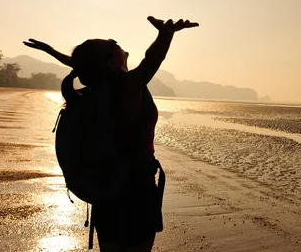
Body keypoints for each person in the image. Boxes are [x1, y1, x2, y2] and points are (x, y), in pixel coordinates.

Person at [24, 16, 198, 252]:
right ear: (111, 64)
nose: (113, 41)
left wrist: (52, 51)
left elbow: (85, 65)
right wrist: (165, 34)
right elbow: (153, 59)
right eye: (110, 42)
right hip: (136, 191)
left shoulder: (96, 90)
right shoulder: (129, 85)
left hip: (106, 189)